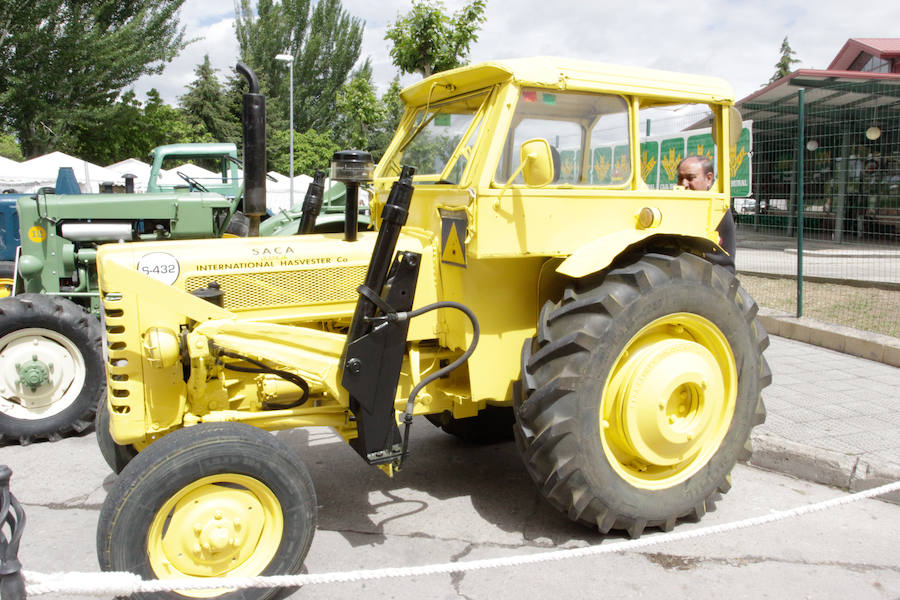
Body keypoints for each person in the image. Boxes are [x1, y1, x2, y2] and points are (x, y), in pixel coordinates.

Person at [677, 155, 736, 273]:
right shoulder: (680, 207)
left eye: (690, 178)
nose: (684, 184)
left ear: (709, 179)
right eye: (680, 178)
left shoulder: (716, 210)